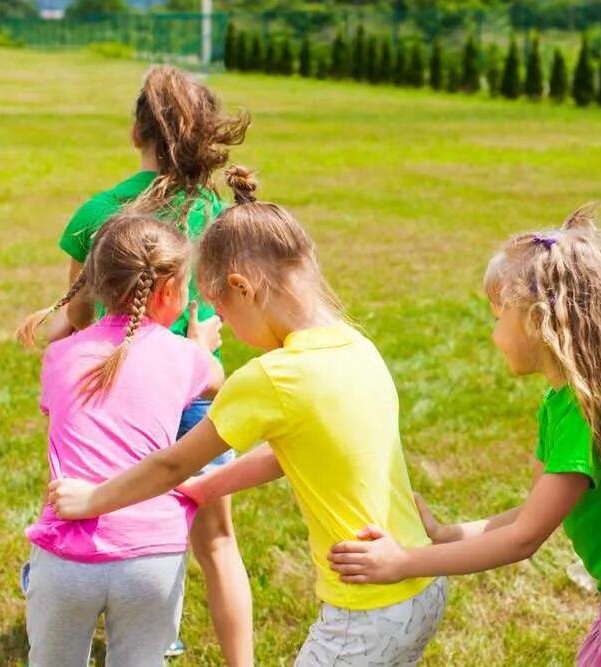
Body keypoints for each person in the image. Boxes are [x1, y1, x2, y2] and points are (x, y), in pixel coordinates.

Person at [328, 206, 601, 665]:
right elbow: (533, 512)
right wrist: (449, 534)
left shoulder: (585, 414)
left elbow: (524, 539)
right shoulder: (562, 401)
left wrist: (402, 563)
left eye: (497, 316)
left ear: (537, 321)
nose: (492, 334)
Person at [48, 167, 447, 666]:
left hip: (363, 607)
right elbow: (289, 453)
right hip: (421, 587)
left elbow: (172, 463)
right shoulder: (357, 346)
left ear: (243, 288)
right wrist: (211, 487)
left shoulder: (274, 376)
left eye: (224, 311)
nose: (229, 329)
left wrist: (94, 499)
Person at [18, 214, 224, 666]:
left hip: (66, 557)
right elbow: (215, 381)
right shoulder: (186, 358)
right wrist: (201, 346)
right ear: (169, 292)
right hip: (153, 556)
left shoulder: (59, 355)